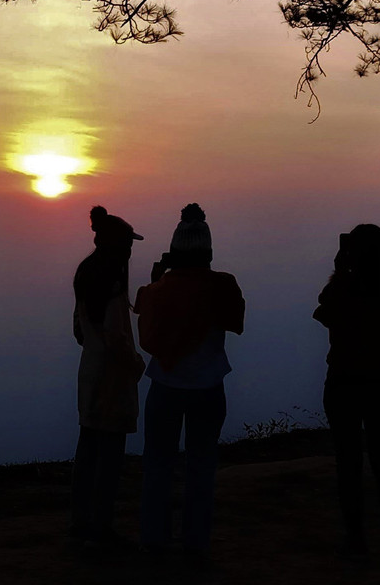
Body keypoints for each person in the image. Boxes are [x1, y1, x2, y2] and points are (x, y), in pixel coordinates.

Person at [136, 203, 244, 557]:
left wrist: (158, 278)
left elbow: (145, 324)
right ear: (209, 253)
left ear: (174, 252)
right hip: (209, 387)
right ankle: (196, 541)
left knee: (158, 464)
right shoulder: (223, 286)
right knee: (201, 466)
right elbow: (236, 320)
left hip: (165, 386)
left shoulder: (157, 291)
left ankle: (154, 538)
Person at [313, 224, 380, 556]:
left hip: (343, 383)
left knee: (348, 462)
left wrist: (339, 270)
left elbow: (323, 313)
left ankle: (356, 537)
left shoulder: (342, 288)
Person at [70, 205, 146, 547]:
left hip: (90, 370)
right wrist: (136, 364)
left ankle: (80, 520)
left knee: (87, 449)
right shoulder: (112, 281)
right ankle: (101, 526)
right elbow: (116, 336)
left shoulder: (85, 273)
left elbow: (80, 331)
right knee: (110, 455)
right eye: (128, 245)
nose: (131, 251)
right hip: (112, 377)